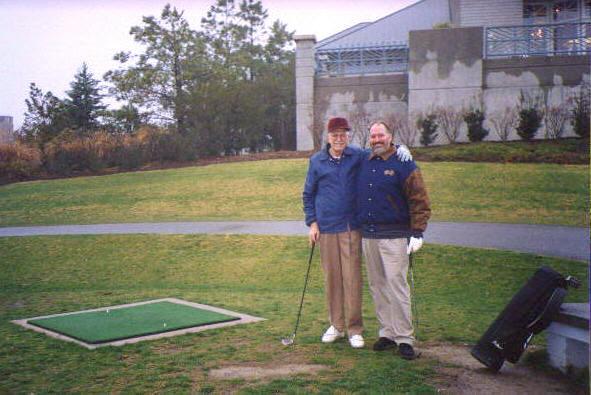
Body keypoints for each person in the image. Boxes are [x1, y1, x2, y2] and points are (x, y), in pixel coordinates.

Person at [302, 117, 412, 349]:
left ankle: (354, 329)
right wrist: (312, 223)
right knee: (332, 279)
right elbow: (308, 194)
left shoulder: (358, 156)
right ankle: (337, 325)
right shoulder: (317, 161)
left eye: (343, 134)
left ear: (347, 136)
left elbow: (382, 149)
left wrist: (402, 148)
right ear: (328, 137)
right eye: (335, 135)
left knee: (352, 279)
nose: (339, 138)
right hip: (326, 228)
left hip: (352, 228)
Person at [357, 120, 431, 360]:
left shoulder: (404, 163)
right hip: (369, 236)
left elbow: (419, 200)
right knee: (377, 286)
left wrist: (418, 232)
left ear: (390, 136)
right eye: (373, 136)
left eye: (381, 135)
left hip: (395, 236)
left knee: (397, 286)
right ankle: (387, 333)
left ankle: (404, 338)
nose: (377, 140)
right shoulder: (365, 162)